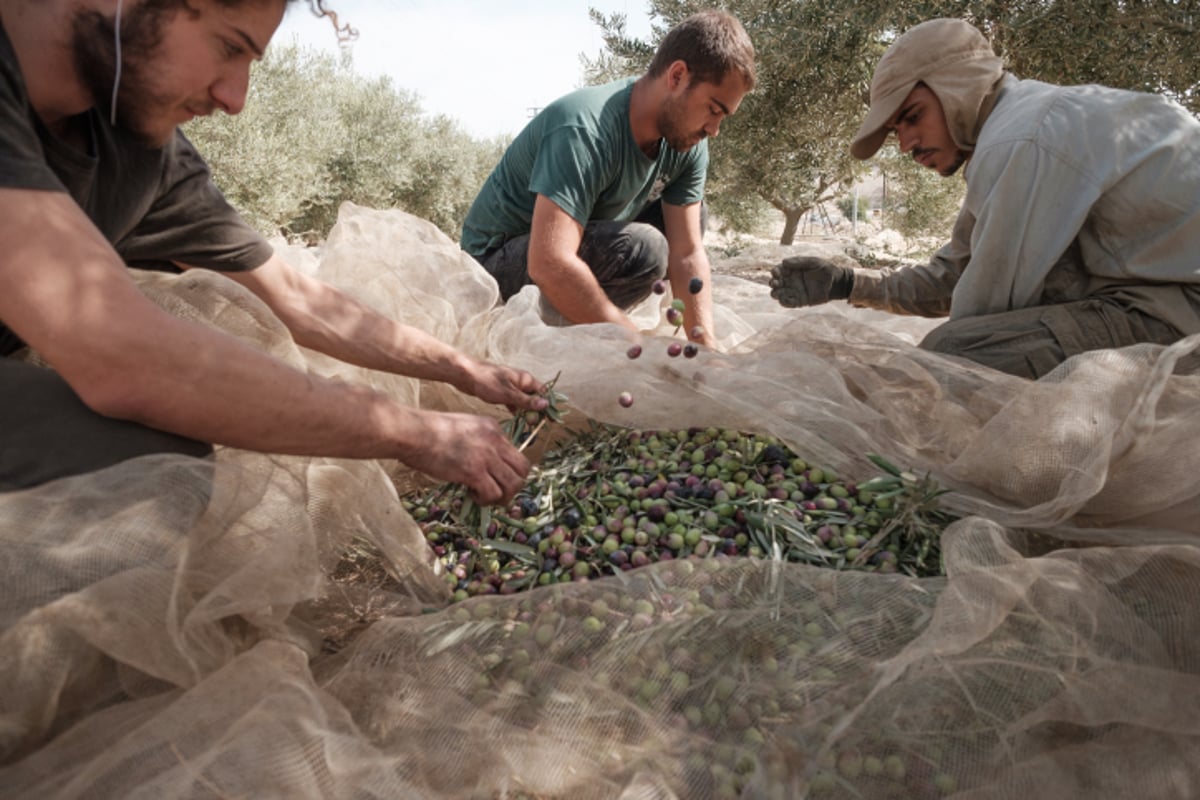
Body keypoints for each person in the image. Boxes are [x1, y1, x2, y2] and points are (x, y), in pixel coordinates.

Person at [0, 0, 548, 505]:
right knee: (139, 470)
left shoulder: (144, 152)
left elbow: (299, 300)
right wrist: (410, 432)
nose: (234, 99)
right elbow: (122, 353)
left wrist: (461, 369)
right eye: (229, 47)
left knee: (164, 462)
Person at [769, 17, 1200, 379]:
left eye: (912, 117)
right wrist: (848, 283)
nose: (905, 144)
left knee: (958, 354)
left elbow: (981, 317)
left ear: (957, 86)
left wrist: (901, 388)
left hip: (1180, 311)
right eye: (896, 131)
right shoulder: (1012, 132)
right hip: (1153, 300)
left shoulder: (1018, 141)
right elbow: (958, 273)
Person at [460, 9, 755, 349]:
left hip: (574, 245)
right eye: (714, 110)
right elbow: (549, 262)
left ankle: (593, 323)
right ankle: (571, 340)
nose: (714, 130)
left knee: (689, 218)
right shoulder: (584, 128)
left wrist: (705, 345)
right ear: (677, 76)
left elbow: (688, 253)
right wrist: (633, 343)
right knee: (645, 248)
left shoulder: (687, 144)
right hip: (491, 268)